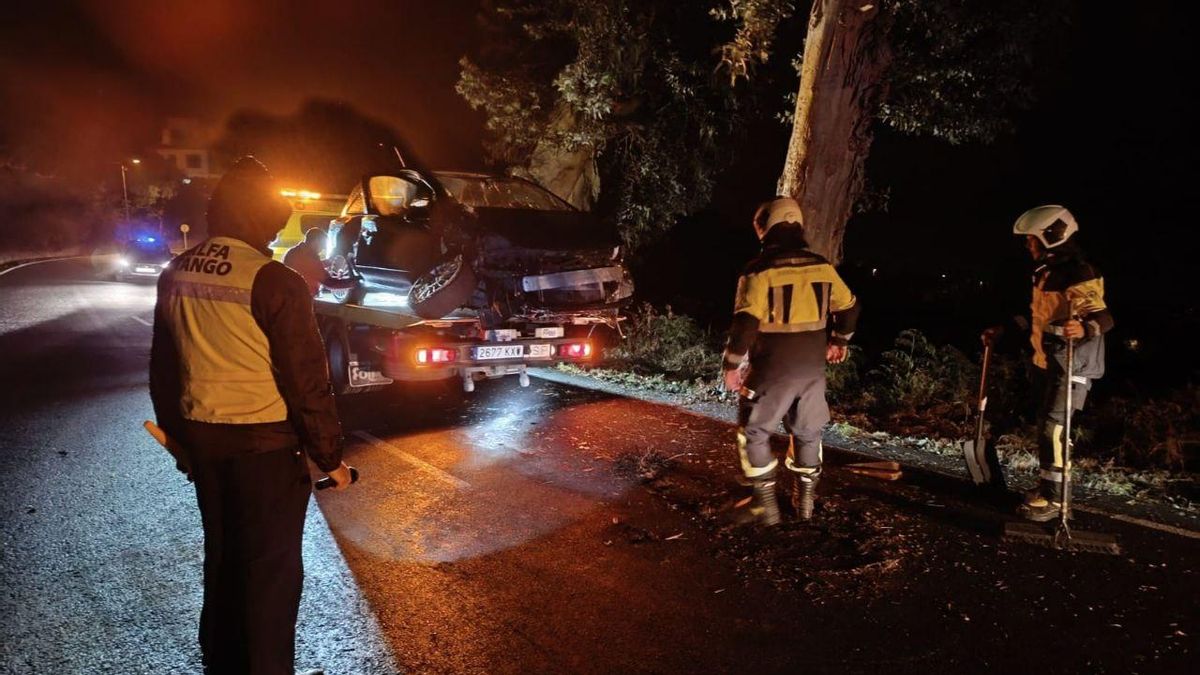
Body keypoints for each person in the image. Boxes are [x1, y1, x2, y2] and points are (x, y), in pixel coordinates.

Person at [150, 156, 353, 675]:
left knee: (222, 559)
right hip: (263, 449)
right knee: (269, 574)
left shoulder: (176, 272)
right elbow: (306, 381)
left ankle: (220, 662)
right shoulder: (274, 280)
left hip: (204, 443)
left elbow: (164, 366)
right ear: (261, 215)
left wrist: (178, 440)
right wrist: (329, 457)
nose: (277, 230)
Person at [721, 197, 861, 524]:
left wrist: (731, 365)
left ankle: (765, 505)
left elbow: (745, 324)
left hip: (772, 369)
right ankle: (805, 502)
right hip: (812, 370)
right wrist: (839, 340)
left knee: (754, 430)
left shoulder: (759, 271)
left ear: (764, 229)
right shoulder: (822, 267)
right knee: (808, 431)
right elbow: (851, 308)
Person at [982, 205, 1113, 522]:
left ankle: (1055, 499)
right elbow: (1036, 318)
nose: (1028, 244)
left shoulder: (1080, 273)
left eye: (1031, 239)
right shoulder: (1045, 273)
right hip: (1049, 363)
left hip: (1073, 363)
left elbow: (1103, 318)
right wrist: (1003, 330)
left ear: (1051, 236)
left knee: (1054, 429)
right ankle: (1047, 489)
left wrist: (1084, 328)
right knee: (1046, 427)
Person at [282, 227, 329, 296]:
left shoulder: (294, 252)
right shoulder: (310, 256)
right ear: (316, 241)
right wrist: (347, 283)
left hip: (290, 294)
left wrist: (327, 263)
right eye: (323, 244)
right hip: (301, 297)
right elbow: (329, 282)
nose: (324, 248)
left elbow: (308, 267)